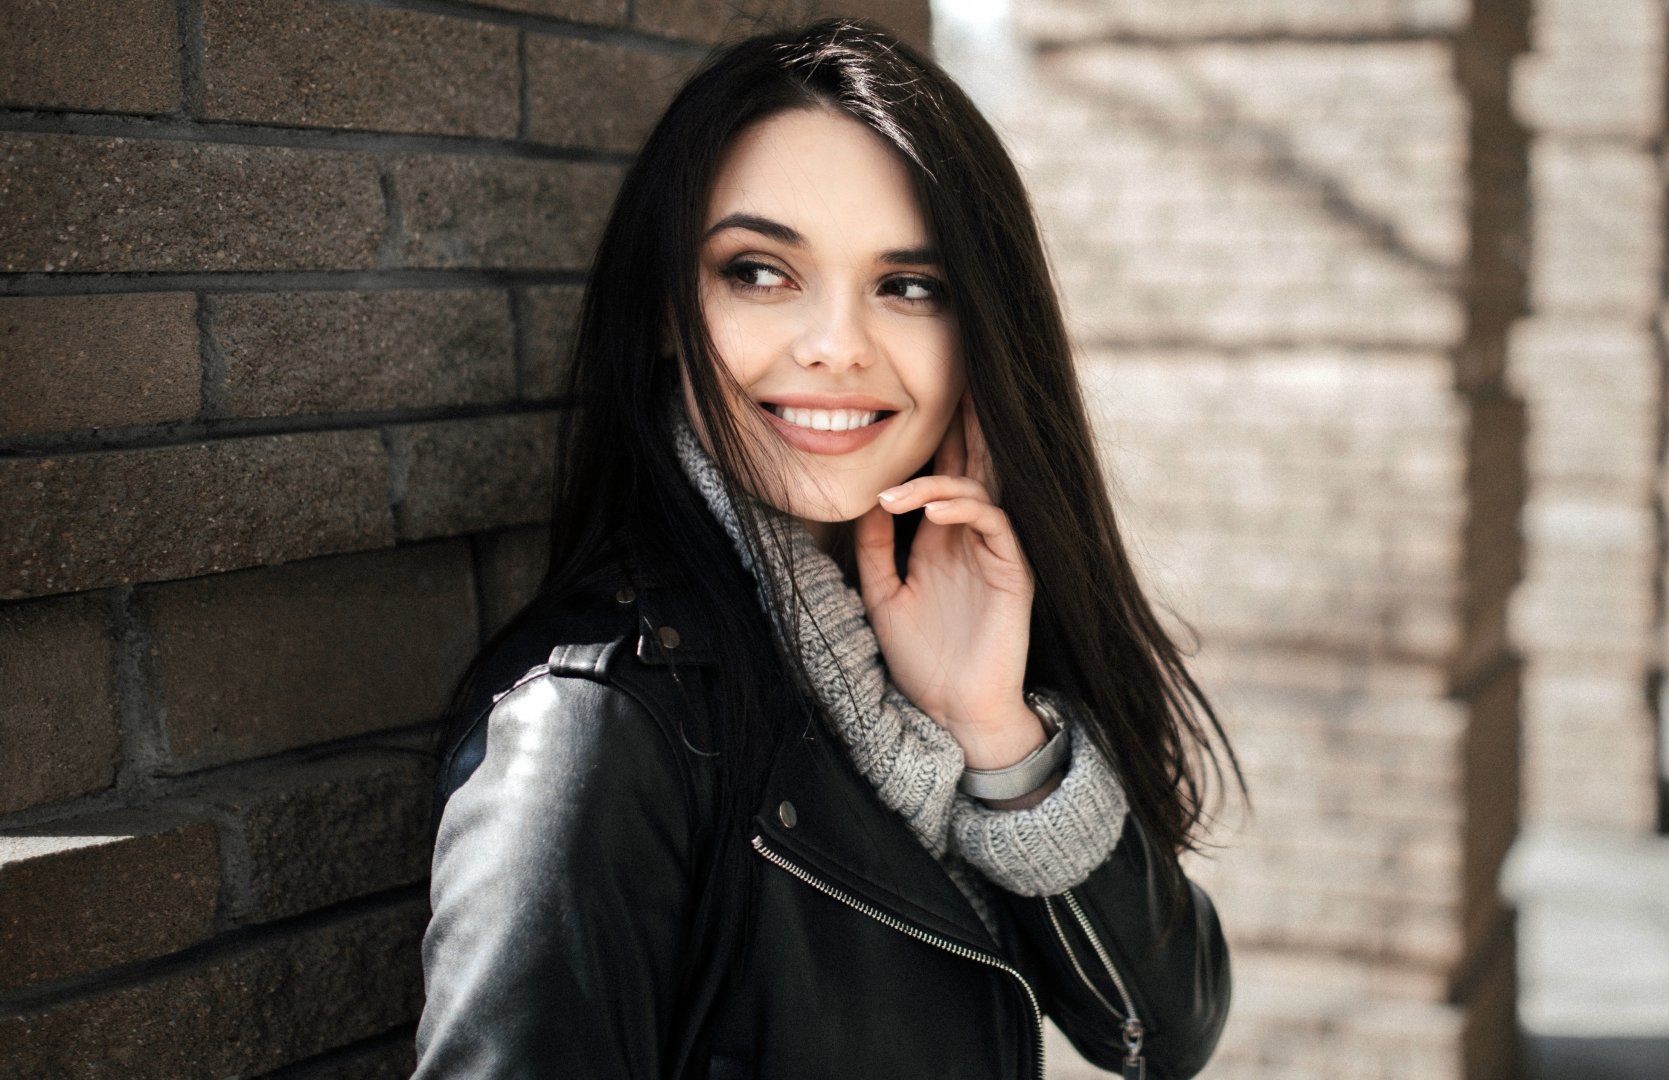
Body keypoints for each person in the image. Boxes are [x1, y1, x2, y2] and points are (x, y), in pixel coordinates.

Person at [412, 16, 1245, 1080]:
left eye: (908, 286)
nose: (838, 346)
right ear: (670, 309)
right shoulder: (588, 730)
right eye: (760, 272)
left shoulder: (937, 628)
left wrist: (992, 732)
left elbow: (1162, 1031)